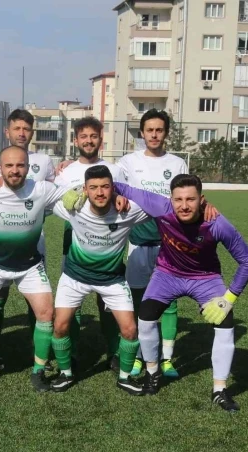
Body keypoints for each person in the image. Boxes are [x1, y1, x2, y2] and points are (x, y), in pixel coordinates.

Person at [114, 174, 248, 412]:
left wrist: (228, 299)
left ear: (202, 200)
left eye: (190, 199)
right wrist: (85, 191)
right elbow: (118, 185)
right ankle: (152, 373)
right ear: (170, 199)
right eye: (178, 199)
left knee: (225, 323)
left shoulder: (217, 223)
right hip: (167, 275)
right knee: (146, 317)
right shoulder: (160, 207)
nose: (184, 205)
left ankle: (220, 389)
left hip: (205, 279)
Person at [0, 145, 77, 392]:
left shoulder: (41, 189)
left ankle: (38, 371)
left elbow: (74, 191)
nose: (15, 170)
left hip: (29, 266)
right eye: (9, 166)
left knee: (46, 313)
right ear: (0, 168)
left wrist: (75, 180)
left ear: (28, 167)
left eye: (20, 165)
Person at [45, 165, 149, 394]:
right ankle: (66, 373)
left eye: (105, 187)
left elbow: (160, 206)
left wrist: (125, 194)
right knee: (60, 326)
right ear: (85, 189)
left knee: (130, 330)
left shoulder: (127, 211)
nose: (100, 192)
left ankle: (125, 378)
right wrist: (70, 191)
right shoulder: (74, 208)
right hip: (75, 277)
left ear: (113, 188)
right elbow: (41, 194)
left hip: (112, 280)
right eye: (93, 188)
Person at [117, 109, 189, 378]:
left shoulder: (178, 164)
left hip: (169, 244)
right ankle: (139, 356)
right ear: (142, 133)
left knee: (169, 302)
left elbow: (186, 201)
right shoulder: (128, 162)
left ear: (166, 133)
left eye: (159, 130)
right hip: (137, 242)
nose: (155, 135)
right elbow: (112, 185)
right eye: (150, 130)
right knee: (138, 300)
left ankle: (167, 359)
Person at [0, 109, 55, 372]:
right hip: (0, 243)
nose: (22, 133)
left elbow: (53, 191)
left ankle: (39, 351)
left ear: (32, 132)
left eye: (26, 129)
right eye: (17, 128)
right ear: (7, 131)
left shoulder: (44, 161)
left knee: (36, 301)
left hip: (34, 241)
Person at [54, 117, 124, 372]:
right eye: (83, 136)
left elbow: (125, 198)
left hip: (109, 243)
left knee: (108, 303)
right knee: (72, 301)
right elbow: (54, 201)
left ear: (100, 139)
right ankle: (71, 351)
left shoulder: (115, 170)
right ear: (76, 141)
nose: (89, 141)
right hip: (74, 242)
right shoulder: (65, 172)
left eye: (93, 136)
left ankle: (114, 351)